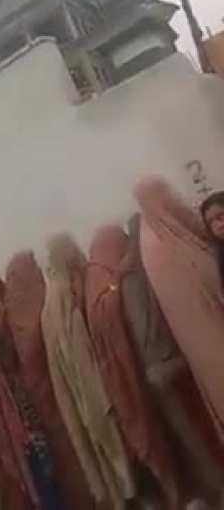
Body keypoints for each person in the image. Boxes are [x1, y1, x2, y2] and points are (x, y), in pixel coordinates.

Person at [122, 213, 224, 506]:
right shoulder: (148, 264)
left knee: (189, 437)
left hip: (154, 372)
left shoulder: (126, 271)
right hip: (174, 362)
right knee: (199, 432)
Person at [87, 224, 183, 509]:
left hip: (140, 372)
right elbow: (105, 308)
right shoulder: (99, 276)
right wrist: (121, 276)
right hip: (136, 373)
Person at [41, 233, 136, 509]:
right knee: (117, 445)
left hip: (84, 393)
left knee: (108, 450)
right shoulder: (64, 293)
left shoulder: (53, 297)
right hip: (96, 386)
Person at [135, 176, 224, 444]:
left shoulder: (152, 244)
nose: (174, 197)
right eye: (167, 192)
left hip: (202, 354)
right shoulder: (172, 244)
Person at [0, 270, 64, 510]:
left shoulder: (3, 314)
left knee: (51, 475)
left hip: (29, 406)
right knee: (43, 479)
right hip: (17, 419)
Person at [5, 251, 91, 510]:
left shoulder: (21, 309)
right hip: (53, 397)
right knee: (72, 454)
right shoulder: (41, 303)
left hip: (49, 399)